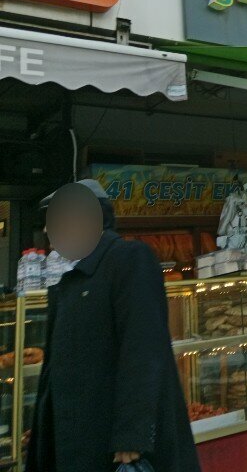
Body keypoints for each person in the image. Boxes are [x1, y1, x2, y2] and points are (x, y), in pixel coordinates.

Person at [27, 181, 199, 472]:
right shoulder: (73, 281)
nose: (47, 232)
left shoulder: (129, 259)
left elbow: (143, 350)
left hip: (112, 448)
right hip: (74, 439)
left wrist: (131, 438)